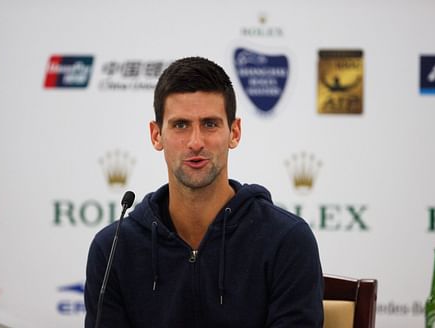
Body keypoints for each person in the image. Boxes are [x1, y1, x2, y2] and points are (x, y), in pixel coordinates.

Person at [85, 57, 324, 327]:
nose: (195, 142)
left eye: (210, 124)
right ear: (156, 135)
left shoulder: (286, 241)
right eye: (180, 125)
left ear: (234, 132)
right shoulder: (113, 249)